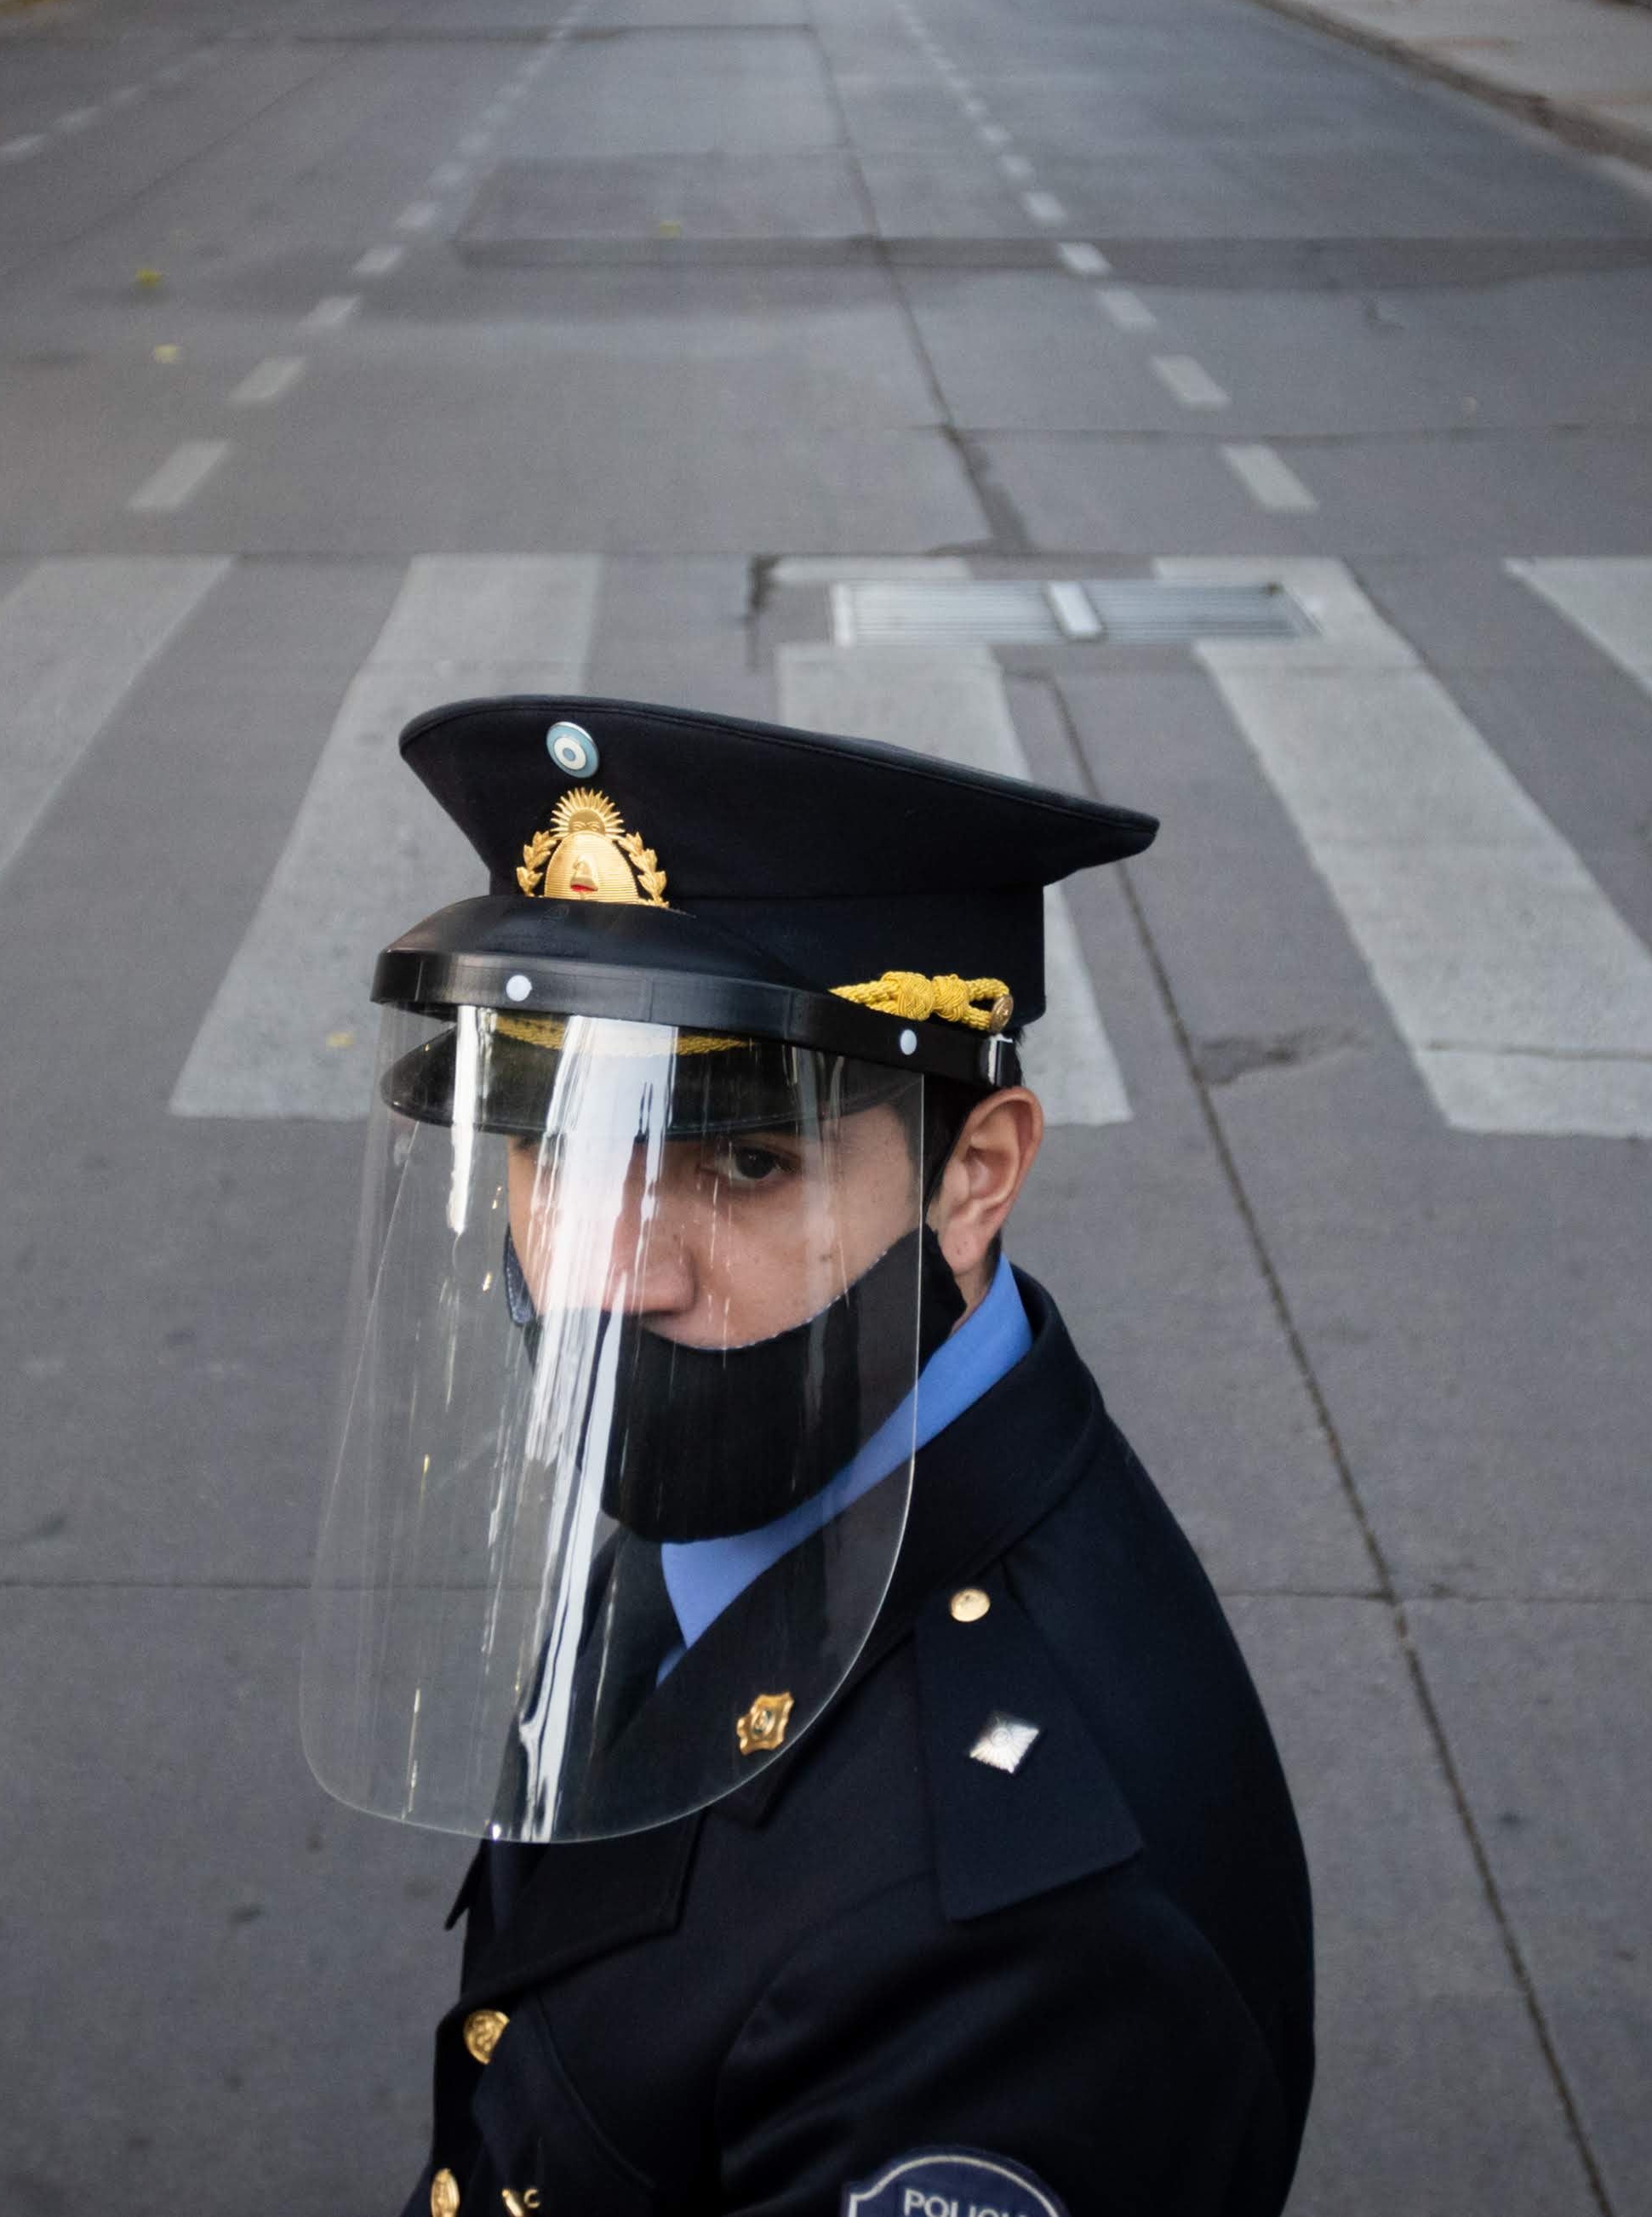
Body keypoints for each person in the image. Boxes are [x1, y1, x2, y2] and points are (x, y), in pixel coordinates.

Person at [303, 695, 1313, 2217]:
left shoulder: (1011, 1940)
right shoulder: (757, 1429)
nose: (611, 1270)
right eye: (562, 1147)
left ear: (976, 1174)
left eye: (747, 1161)